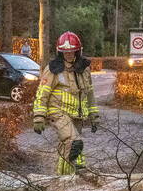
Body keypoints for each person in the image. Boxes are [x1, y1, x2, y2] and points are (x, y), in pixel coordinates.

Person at [32, 32, 100, 174]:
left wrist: (94, 115)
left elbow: (90, 93)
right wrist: (38, 117)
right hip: (58, 113)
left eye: (71, 51)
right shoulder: (53, 69)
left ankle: (62, 179)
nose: (68, 55)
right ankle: (80, 171)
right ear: (60, 52)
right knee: (74, 142)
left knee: (67, 148)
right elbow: (42, 94)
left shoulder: (84, 69)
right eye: (65, 52)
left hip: (77, 115)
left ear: (77, 51)